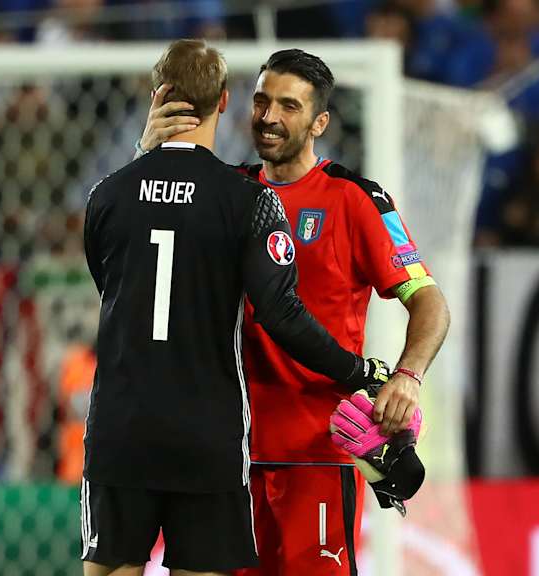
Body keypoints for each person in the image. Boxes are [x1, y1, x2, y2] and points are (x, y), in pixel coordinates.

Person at [82, 40, 390, 576]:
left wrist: (142, 157)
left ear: (157, 97)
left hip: (120, 428)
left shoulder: (107, 195)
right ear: (225, 101)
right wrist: (361, 372)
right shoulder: (247, 199)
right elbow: (280, 312)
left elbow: (108, 282)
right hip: (208, 432)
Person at [139, 48, 450, 574]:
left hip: (316, 453)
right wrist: (147, 154)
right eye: (262, 101)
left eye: (289, 106)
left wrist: (407, 376)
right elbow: (139, 226)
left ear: (319, 122)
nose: (269, 117)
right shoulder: (225, 192)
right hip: (225, 453)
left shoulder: (357, 199)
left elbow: (428, 300)